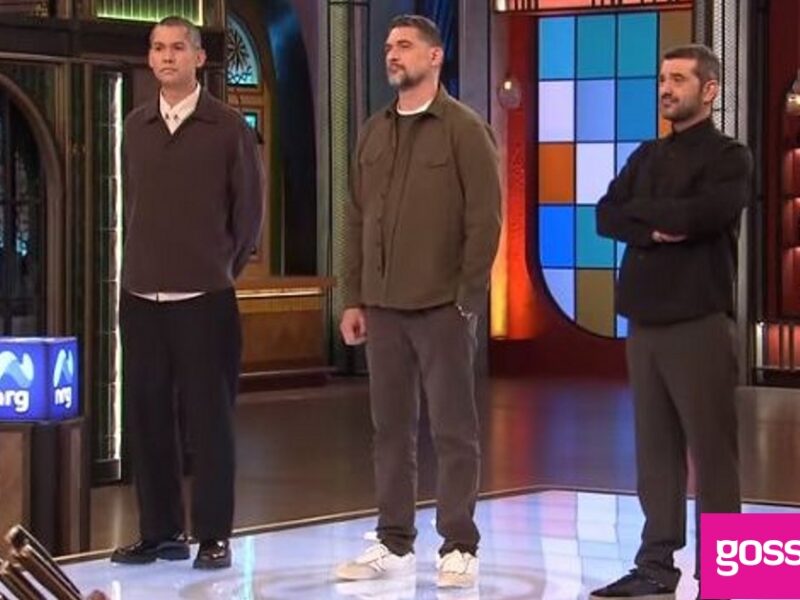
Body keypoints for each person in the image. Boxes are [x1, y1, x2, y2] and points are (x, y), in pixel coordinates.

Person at [335, 14, 501, 590]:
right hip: (382, 308)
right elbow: (355, 219)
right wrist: (354, 297)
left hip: (441, 307)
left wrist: (466, 299)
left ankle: (459, 545)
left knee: (453, 430)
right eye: (389, 46)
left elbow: (485, 220)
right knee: (390, 430)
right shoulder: (373, 132)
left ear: (434, 56)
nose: (393, 54)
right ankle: (393, 540)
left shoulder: (465, 129)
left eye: (404, 45)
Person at [590, 44, 752, 598]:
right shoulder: (645, 156)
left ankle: (730, 577)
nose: (666, 88)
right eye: (662, 78)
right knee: (654, 454)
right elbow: (606, 214)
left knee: (712, 453)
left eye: (679, 79)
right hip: (644, 322)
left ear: (709, 90)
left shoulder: (731, 157)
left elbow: (702, 215)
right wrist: (655, 225)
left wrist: (644, 216)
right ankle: (655, 568)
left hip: (699, 320)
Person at [110, 16, 264, 570]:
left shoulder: (228, 127)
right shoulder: (136, 125)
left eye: (178, 47)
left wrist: (217, 267)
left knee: (209, 423)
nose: (167, 56)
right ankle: (161, 532)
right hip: (141, 299)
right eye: (158, 48)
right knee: (148, 419)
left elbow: (248, 216)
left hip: (205, 300)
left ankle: (213, 535)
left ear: (199, 58)